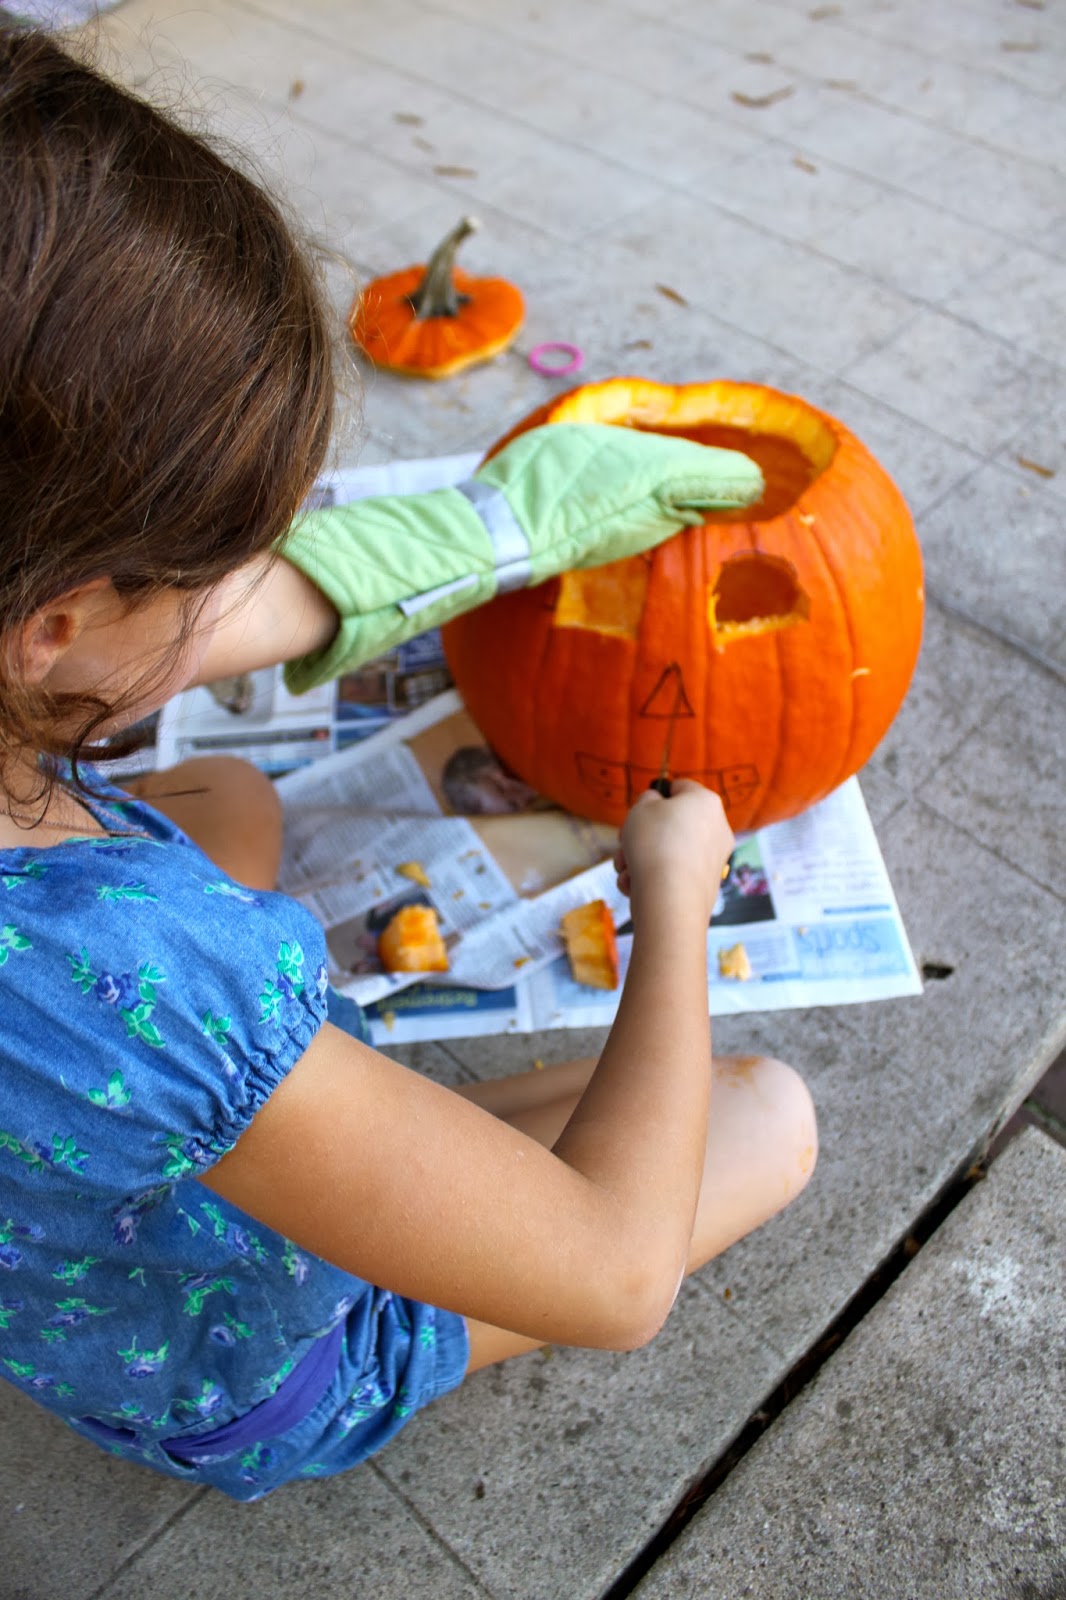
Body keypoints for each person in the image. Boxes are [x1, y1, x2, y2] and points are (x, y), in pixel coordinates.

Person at [0, 26, 817, 1500]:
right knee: (767, 1115)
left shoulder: (42, 676)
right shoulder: (137, 984)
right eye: (211, 572)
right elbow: (616, 1277)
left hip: (64, 1224)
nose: (247, 588)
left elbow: (168, 633)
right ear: (52, 624)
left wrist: (496, 530)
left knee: (231, 797)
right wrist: (674, 892)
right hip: (248, 1364)